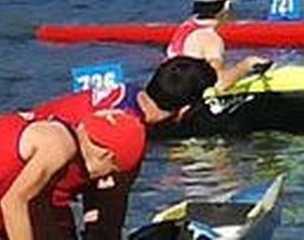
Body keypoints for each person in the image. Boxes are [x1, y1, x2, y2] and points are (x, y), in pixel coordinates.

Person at [30, 57, 217, 240]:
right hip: (34, 193)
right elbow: (108, 218)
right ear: (185, 109)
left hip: (14, 152)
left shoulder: (126, 92)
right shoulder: (128, 134)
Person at [0, 107, 145, 240]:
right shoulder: (60, 147)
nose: (104, 179)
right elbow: (13, 204)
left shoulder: (62, 135)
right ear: (106, 155)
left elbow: (37, 206)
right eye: (111, 172)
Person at [164, 0, 269, 92]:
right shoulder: (210, 38)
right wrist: (246, 65)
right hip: (190, 102)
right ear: (227, 6)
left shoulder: (186, 26)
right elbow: (218, 84)